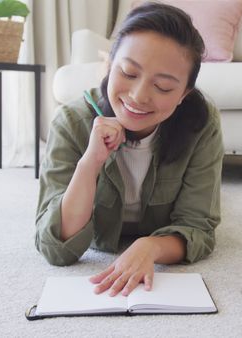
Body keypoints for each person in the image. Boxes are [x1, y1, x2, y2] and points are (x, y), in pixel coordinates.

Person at [35, 3, 223, 298]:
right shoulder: (70, 122)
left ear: (184, 94)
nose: (139, 96)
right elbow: (56, 247)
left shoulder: (201, 123)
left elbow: (197, 227)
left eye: (162, 87)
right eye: (128, 72)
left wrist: (152, 246)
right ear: (109, 65)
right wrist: (90, 163)